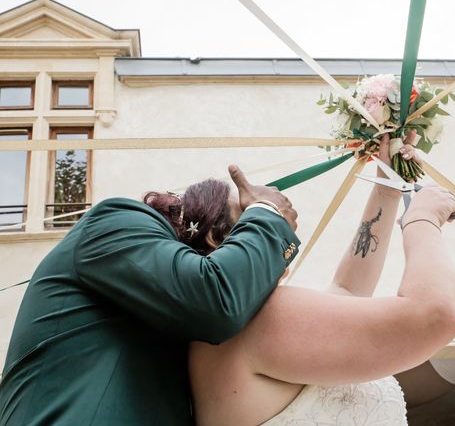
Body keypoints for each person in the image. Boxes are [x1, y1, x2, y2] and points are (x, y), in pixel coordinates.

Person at [188, 133, 455, 425]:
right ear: (216, 241)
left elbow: (348, 291)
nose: (275, 205)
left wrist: (388, 187)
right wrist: (423, 220)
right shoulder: (256, 320)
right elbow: (435, 316)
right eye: (253, 211)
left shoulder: (227, 328)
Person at [0, 165, 299, 426]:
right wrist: (266, 213)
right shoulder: (114, 221)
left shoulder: (194, 328)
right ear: (212, 238)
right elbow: (217, 298)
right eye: (245, 231)